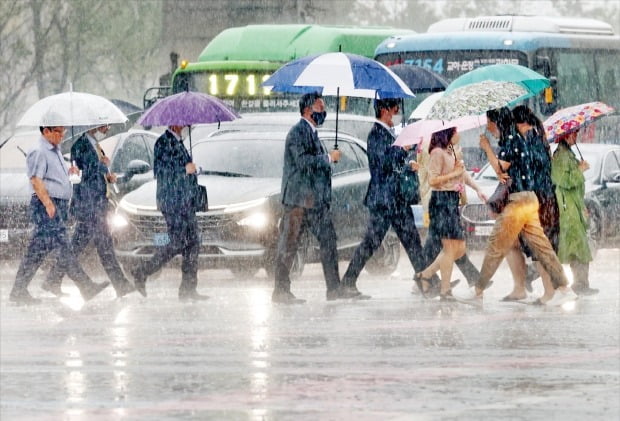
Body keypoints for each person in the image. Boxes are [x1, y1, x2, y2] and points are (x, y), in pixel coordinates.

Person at [462, 107, 576, 306]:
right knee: (543, 247)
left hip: (519, 203)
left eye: (489, 122)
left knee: (496, 245)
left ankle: (478, 290)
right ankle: (565, 288)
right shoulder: (521, 140)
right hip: (530, 200)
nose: (488, 126)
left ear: (498, 122)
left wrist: (487, 148)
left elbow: (500, 170)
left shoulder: (512, 141)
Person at [9, 125, 110, 304]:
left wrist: (70, 172)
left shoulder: (55, 151)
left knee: (37, 251)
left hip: (57, 206)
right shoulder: (39, 151)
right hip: (47, 206)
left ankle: (19, 290)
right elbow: (35, 180)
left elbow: (54, 176)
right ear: (46, 131)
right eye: (58, 131)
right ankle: (85, 286)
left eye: (63, 131)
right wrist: (48, 203)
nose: (62, 135)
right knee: (65, 247)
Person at [272, 92, 356, 304]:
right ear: (308, 110)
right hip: (298, 201)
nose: (323, 112)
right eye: (320, 108)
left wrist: (327, 160)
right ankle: (280, 290)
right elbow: (301, 162)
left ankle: (333, 288)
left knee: (328, 240)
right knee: (289, 244)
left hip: (314, 201)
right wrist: (327, 158)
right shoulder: (297, 132)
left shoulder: (312, 133)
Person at [340, 98, 425, 297]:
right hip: (385, 199)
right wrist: (401, 148)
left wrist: (406, 159)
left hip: (395, 198)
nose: (396, 112)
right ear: (385, 110)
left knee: (411, 240)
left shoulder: (387, 133)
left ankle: (427, 280)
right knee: (372, 241)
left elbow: (393, 163)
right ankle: (348, 281)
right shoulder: (376, 134)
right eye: (395, 108)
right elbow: (382, 163)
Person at [42, 125, 136, 298]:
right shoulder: (80, 146)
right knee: (103, 246)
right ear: (93, 124)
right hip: (89, 205)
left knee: (83, 246)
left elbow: (95, 173)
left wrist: (108, 175)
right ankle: (120, 285)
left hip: (97, 204)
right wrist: (101, 166)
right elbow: (80, 176)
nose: (108, 126)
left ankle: (53, 279)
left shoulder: (95, 143)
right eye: (104, 123)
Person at [129, 125, 208, 301]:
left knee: (193, 242)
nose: (186, 123)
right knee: (178, 241)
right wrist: (184, 170)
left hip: (186, 200)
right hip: (172, 201)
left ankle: (188, 288)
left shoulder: (180, 142)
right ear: (173, 123)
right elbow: (162, 173)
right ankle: (142, 271)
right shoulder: (163, 143)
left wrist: (194, 170)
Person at [415, 127, 486, 300]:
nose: (458, 135)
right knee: (450, 248)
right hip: (441, 202)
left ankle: (426, 275)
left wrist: (477, 188)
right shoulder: (437, 153)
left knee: (458, 248)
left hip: (451, 201)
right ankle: (444, 289)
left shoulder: (451, 151)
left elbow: (462, 175)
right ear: (447, 133)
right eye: (456, 132)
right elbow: (432, 180)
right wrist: (452, 174)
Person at [511, 105, 560, 301]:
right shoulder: (538, 137)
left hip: (540, 199)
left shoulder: (530, 141)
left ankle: (551, 291)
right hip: (545, 197)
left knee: (539, 245)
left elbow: (532, 170)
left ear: (519, 123)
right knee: (540, 244)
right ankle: (550, 289)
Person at [551, 129, 598, 295]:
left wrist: (582, 205)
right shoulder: (562, 156)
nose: (575, 137)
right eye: (573, 134)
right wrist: (580, 170)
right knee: (574, 246)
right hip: (567, 208)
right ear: (565, 136)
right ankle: (580, 284)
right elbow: (563, 180)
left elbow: (574, 185)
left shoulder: (568, 154)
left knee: (574, 247)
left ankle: (581, 283)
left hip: (573, 206)